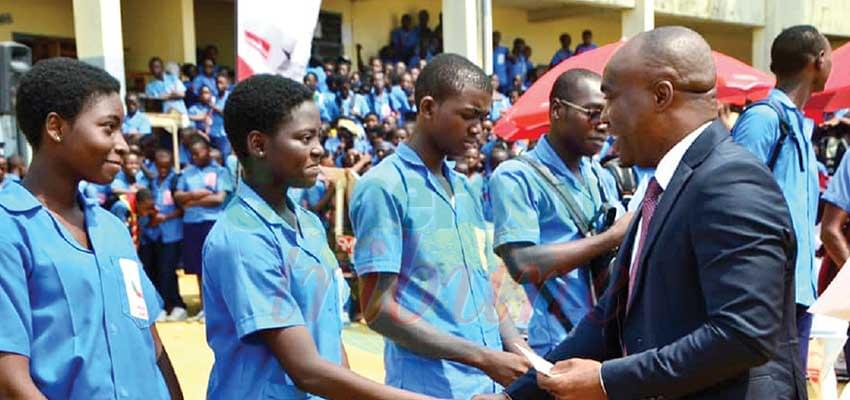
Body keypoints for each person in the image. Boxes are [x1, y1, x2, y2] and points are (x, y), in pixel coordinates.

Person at [483, 26, 804, 400]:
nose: (605, 119)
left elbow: (743, 334)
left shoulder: (731, 182)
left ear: (661, 95)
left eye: (611, 99)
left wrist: (606, 380)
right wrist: (512, 397)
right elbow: (608, 319)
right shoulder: (665, 187)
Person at [202, 73, 434, 400]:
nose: (319, 150)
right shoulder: (243, 238)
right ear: (258, 145)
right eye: (305, 138)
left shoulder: (309, 224)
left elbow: (327, 336)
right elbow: (305, 369)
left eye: (319, 137)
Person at [351, 54, 531, 399]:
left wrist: (519, 352)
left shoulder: (465, 189)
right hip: (428, 388)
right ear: (429, 107)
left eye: (484, 117)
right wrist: (481, 357)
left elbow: (484, 289)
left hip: (487, 387)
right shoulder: (384, 187)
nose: (479, 129)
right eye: (468, 115)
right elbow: (378, 310)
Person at [0, 57, 182, 399]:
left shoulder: (112, 228)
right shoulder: (8, 230)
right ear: (56, 127)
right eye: (108, 128)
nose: (123, 144)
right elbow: (10, 383)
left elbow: (151, 342)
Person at [489, 69, 631, 357]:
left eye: (607, 115)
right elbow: (522, 265)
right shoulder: (516, 176)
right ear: (557, 110)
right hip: (559, 345)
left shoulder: (598, 175)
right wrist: (609, 238)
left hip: (608, 338)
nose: (603, 124)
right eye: (592, 113)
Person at [731, 25, 832, 369]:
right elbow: (732, 201)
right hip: (767, 295)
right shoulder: (763, 119)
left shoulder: (799, 126)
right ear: (818, 61)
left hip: (799, 293)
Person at [174, 136, 228, 321]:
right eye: (193, 154)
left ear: (208, 151)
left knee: (214, 265)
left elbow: (218, 199)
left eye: (200, 152)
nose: (197, 156)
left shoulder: (220, 172)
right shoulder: (186, 173)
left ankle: (218, 308)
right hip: (192, 224)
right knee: (197, 266)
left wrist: (192, 202)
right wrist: (194, 194)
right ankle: (204, 308)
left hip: (212, 223)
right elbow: (179, 196)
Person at [140, 149, 188, 322]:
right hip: (154, 234)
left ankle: (176, 305)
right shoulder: (151, 181)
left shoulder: (176, 180)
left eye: (166, 168)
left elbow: (183, 207)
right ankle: (164, 305)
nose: (162, 171)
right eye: (160, 167)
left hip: (172, 233)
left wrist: (165, 217)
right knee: (156, 270)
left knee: (168, 270)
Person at [209, 73, 232, 157]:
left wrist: (214, 107)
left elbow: (227, 113)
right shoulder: (214, 97)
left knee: (225, 157)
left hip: (224, 135)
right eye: (217, 83)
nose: (219, 85)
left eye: (221, 83)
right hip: (213, 133)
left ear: (227, 84)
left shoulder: (230, 97)